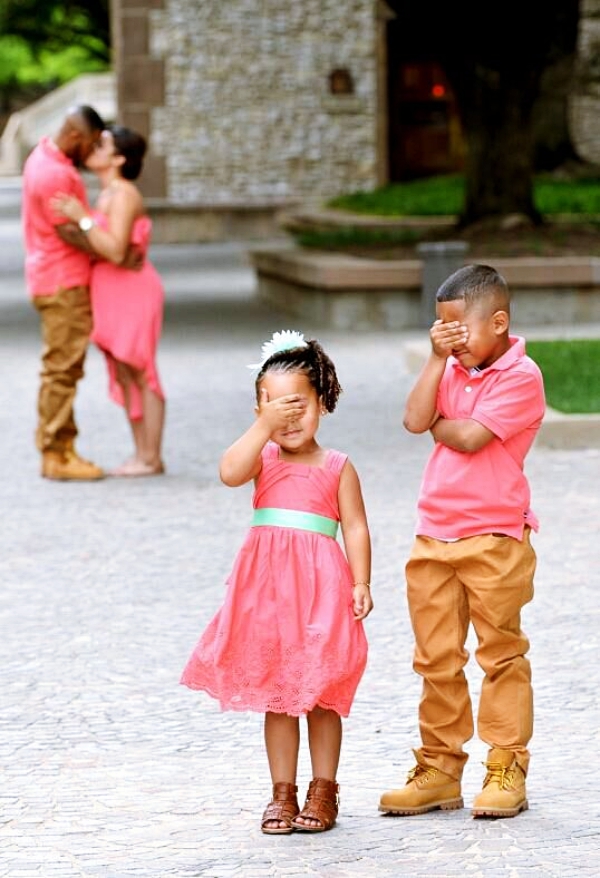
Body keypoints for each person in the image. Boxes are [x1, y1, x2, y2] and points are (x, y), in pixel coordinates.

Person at [180, 330, 373, 834]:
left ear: (322, 405)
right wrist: (263, 428)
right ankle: (282, 793)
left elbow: (355, 525)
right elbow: (228, 471)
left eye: (297, 407)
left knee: (323, 692)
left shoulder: (336, 466)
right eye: (273, 408)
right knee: (279, 694)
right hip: (268, 596)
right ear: (258, 411)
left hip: (321, 592)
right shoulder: (261, 460)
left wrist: (361, 582)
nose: (287, 419)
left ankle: (323, 789)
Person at [379, 264, 545, 820]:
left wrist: (440, 426)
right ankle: (440, 768)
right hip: (434, 534)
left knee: (500, 655)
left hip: (495, 536)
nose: (450, 340)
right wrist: (434, 362)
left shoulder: (522, 377)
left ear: (498, 322)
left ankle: (506, 764)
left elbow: (469, 436)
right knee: (435, 660)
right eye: (440, 330)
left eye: (458, 330)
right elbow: (413, 419)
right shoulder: (448, 367)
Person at [51, 125, 166, 477]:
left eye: (102, 145)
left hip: (132, 289)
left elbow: (115, 250)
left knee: (142, 370)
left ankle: (151, 457)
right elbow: (99, 243)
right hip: (111, 291)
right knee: (124, 370)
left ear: (118, 158)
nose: (93, 148)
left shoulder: (124, 194)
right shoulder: (105, 195)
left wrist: (81, 219)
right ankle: (141, 453)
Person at [22, 104, 106, 480]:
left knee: (61, 367)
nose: (90, 152)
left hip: (49, 277)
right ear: (75, 136)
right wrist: (110, 246)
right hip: (63, 282)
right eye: (89, 144)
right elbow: (68, 230)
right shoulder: (56, 173)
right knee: (62, 369)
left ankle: (61, 448)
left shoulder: (41, 154)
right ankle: (56, 454)